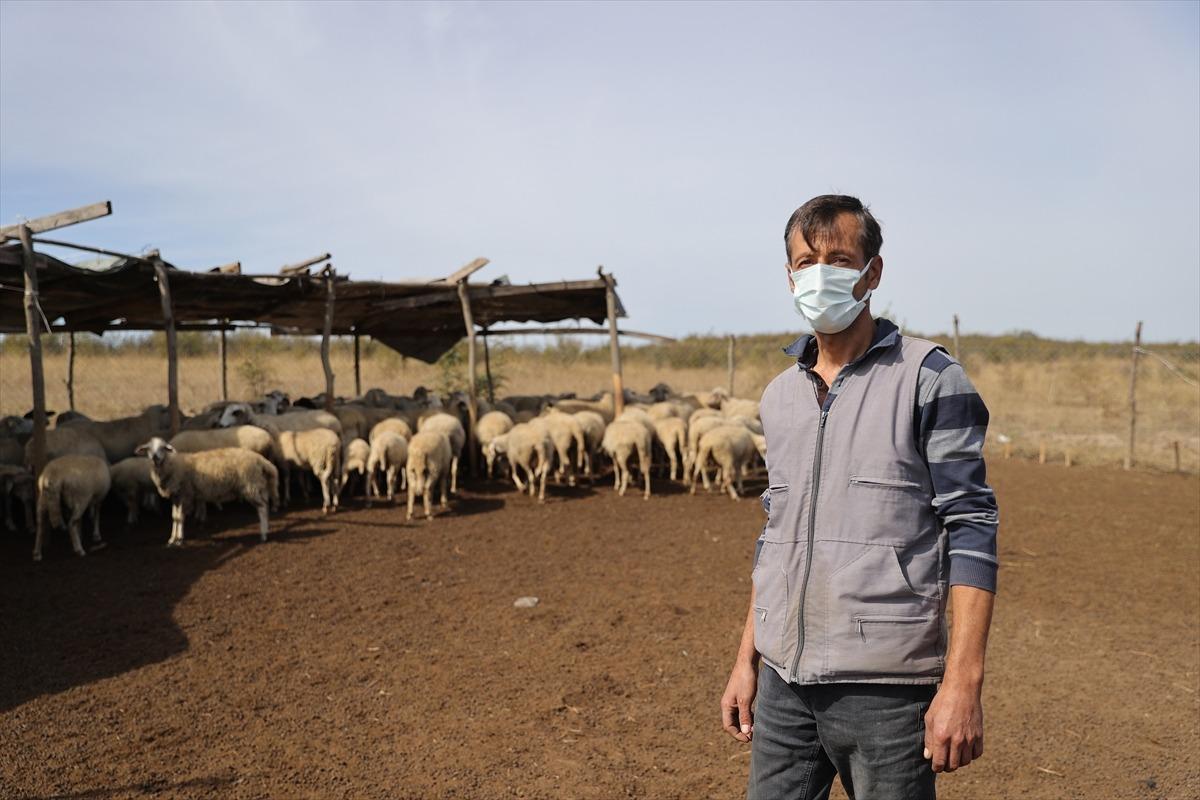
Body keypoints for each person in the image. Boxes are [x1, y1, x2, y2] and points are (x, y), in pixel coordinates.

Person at [720, 195, 999, 800]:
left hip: (887, 692)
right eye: (805, 261)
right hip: (784, 690)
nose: (819, 274)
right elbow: (777, 535)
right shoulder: (778, 396)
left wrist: (962, 684)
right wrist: (748, 660)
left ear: (872, 272)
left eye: (838, 258)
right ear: (790, 275)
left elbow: (972, 526)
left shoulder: (928, 378)